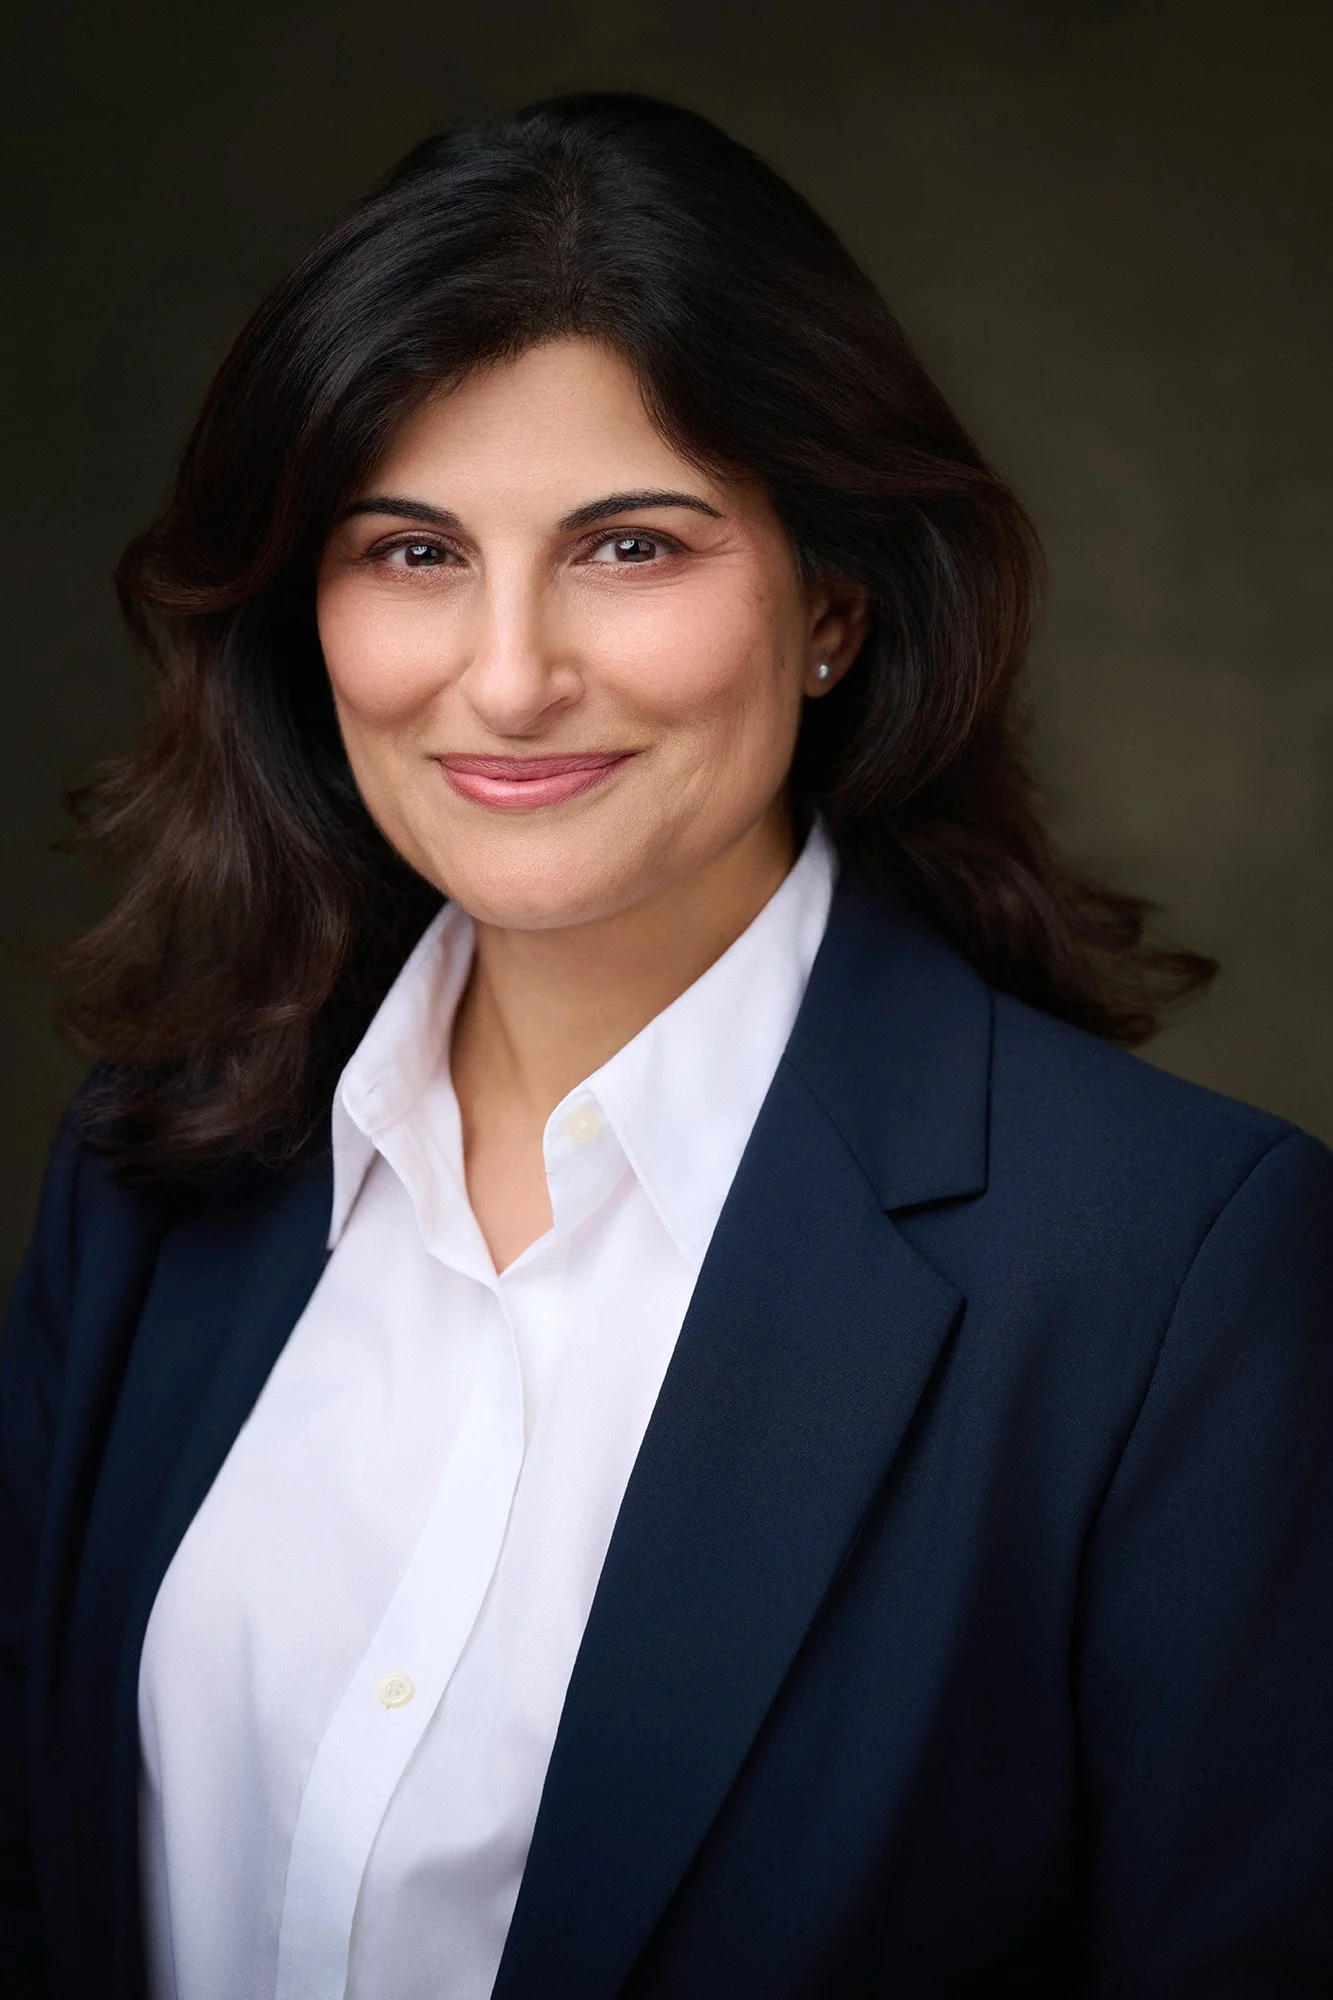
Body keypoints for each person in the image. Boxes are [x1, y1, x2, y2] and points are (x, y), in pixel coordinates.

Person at [2, 90, 1330, 2000]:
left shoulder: (1173, 1277)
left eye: (631, 547)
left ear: (836, 608)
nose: (513, 670)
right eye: (411, 551)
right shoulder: (152, 1175)